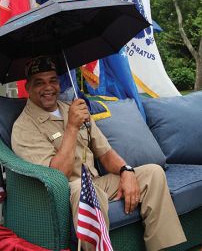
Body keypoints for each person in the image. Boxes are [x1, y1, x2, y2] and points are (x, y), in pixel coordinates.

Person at [11, 56, 186, 251]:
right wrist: (71, 127)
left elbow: (105, 153)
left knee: (152, 173)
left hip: (96, 183)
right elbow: (58, 176)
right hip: (65, 193)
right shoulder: (23, 128)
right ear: (27, 88)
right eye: (39, 83)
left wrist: (126, 171)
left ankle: (162, 247)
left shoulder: (73, 109)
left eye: (53, 80)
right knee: (84, 189)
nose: (48, 87)